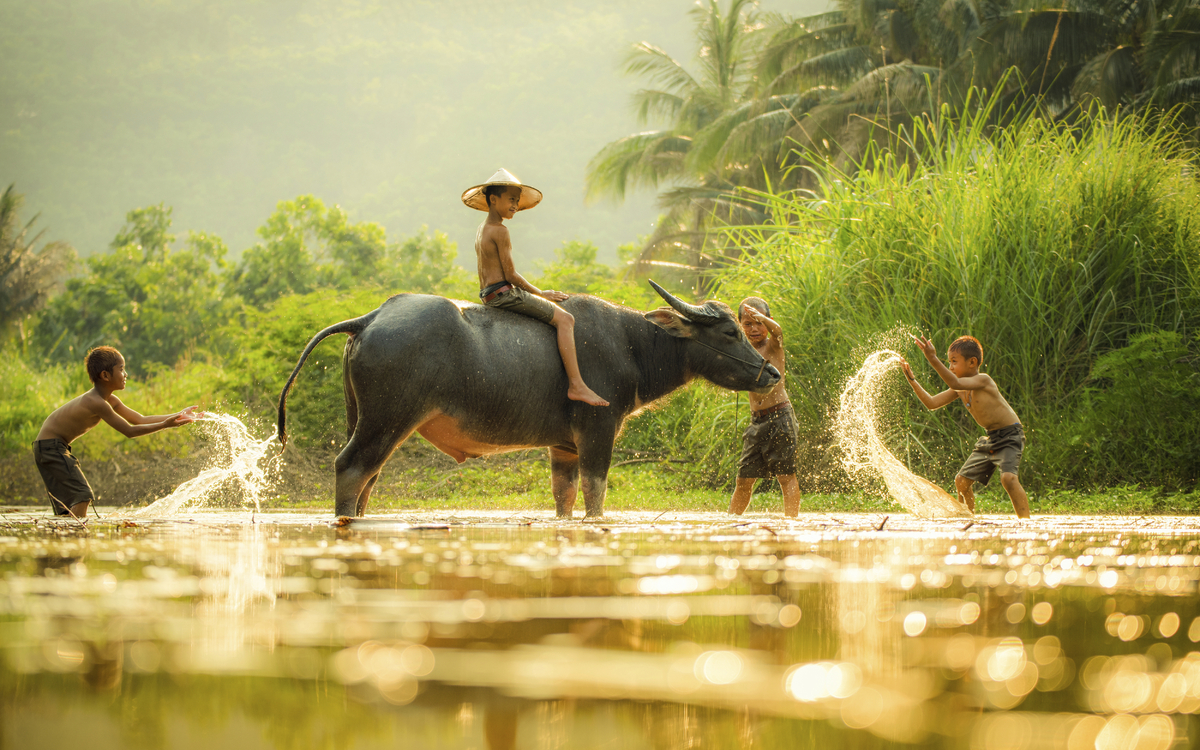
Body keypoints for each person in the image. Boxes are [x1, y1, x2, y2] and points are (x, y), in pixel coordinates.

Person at [461, 168, 608, 406]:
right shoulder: (500, 231)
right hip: (504, 295)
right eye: (511, 199)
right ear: (493, 199)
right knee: (566, 319)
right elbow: (510, 275)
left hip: (487, 295)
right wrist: (541, 293)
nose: (515, 205)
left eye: (517, 201)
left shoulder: (482, 229)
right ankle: (577, 385)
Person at [33, 346, 202, 518]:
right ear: (105, 375)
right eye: (121, 369)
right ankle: (76, 535)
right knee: (82, 495)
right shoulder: (95, 402)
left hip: (51, 447)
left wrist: (180, 415)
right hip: (51, 448)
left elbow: (140, 419)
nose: (125, 374)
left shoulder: (109, 400)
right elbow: (129, 431)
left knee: (67, 505)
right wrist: (165, 425)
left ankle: (66, 536)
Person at [902, 334, 1030, 518]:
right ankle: (968, 519)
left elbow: (954, 381)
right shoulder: (959, 388)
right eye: (949, 362)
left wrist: (932, 358)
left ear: (972, 362)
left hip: (1010, 435)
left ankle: (1025, 523)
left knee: (1008, 478)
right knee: (961, 482)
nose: (951, 367)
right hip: (991, 438)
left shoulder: (984, 380)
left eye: (954, 362)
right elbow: (931, 403)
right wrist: (912, 380)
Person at [727, 297, 801, 518]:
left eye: (759, 322)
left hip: (781, 418)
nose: (754, 328)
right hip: (756, 422)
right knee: (743, 480)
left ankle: (792, 523)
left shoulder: (773, 345)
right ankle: (731, 522)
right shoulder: (742, 351)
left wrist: (763, 319)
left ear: (767, 321)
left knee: (786, 476)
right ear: (740, 325)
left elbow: (777, 331)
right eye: (747, 324)